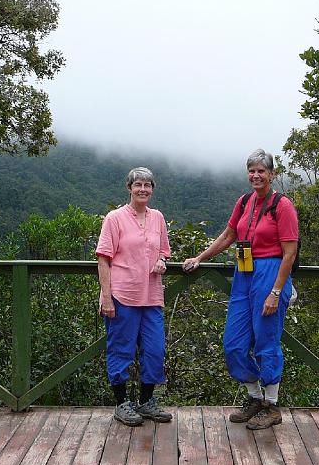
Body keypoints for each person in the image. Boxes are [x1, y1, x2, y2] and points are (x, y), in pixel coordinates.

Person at [183, 149, 298, 429]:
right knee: (233, 343)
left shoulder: (282, 206)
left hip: (270, 274)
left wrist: (275, 291)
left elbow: (290, 253)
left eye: (262, 170)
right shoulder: (244, 202)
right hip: (244, 272)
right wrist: (199, 258)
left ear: (272, 174)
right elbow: (228, 236)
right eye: (252, 170)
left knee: (266, 341)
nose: (256, 175)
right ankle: (254, 398)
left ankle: (271, 405)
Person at [96, 167, 172, 426]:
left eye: (147, 185)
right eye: (138, 184)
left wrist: (162, 260)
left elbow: (163, 249)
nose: (142, 189)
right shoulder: (114, 218)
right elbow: (103, 259)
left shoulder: (158, 217)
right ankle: (121, 404)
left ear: (152, 189)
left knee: (154, 350)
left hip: (151, 296)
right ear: (129, 188)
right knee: (121, 350)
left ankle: (147, 403)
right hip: (122, 295)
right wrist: (106, 297)